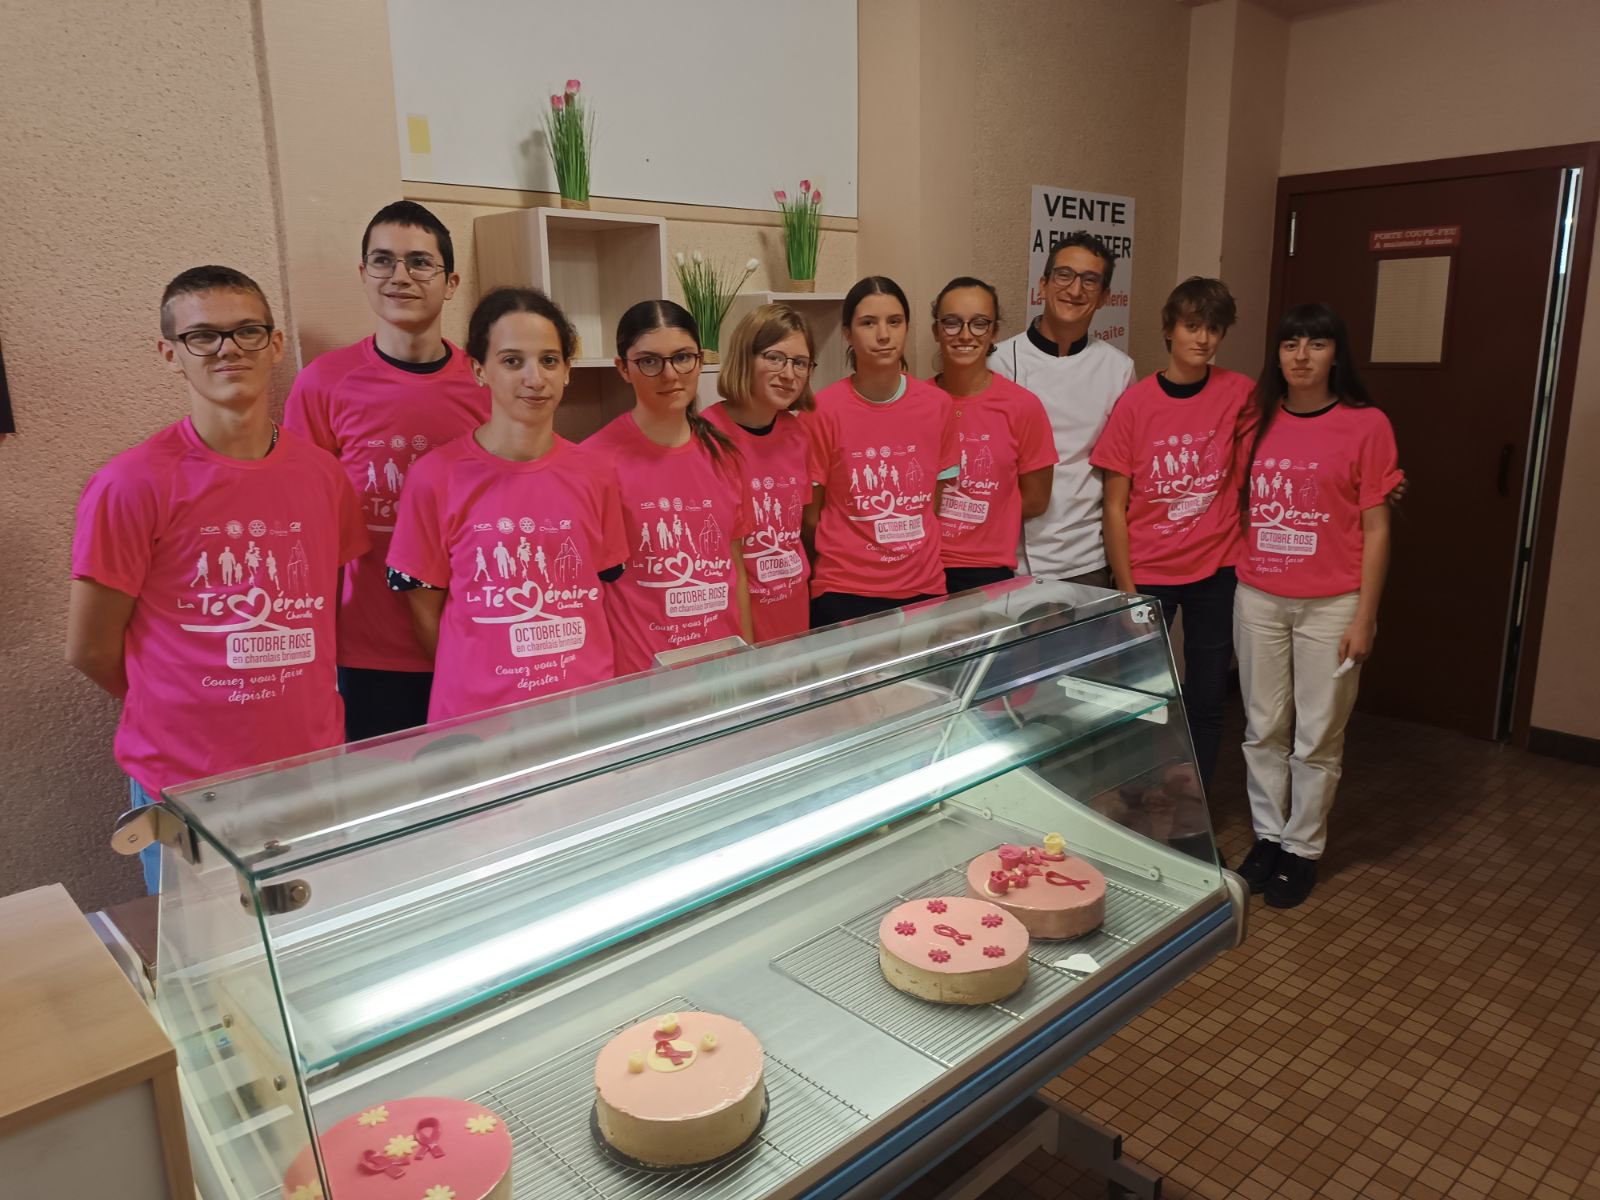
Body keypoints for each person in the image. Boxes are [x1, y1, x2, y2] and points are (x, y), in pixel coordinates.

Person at [67, 266, 367, 893]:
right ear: (170, 354)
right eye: (203, 336)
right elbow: (92, 649)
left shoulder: (322, 475)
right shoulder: (130, 484)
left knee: (306, 954)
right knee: (206, 973)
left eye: (246, 332)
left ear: (275, 345)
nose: (228, 349)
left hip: (307, 772)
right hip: (186, 786)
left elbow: (323, 609)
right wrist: (188, 706)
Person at [284, 201, 488, 741]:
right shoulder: (324, 384)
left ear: (451, 283)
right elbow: (304, 525)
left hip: (475, 640)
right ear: (363, 275)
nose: (400, 276)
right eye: (383, 261)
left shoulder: (487, 381)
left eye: (420, 262)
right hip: (365, 651)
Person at [387, 288, 628, 722]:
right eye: (512, 361)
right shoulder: (435, 477)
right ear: (480, 370)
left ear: (568, 370)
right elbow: (426, 614)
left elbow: (601, 594)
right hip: (479, 722)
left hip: (584, 714)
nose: (535, 378)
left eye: (549, 360)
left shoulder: (597, 473)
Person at [1233, 304, 1402, 909]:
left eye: (1316, 343)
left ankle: (1302, 849)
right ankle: (1268, 837)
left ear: (1337, 353)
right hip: (1258, 595)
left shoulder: (1367, 424)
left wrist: (1366, 615)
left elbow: (1377, 529)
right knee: (1262, 727)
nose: (1301, 355)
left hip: (1332, 604)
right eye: (1289, 344)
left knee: (1318, 735)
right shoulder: (1256, 418)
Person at [1092, 278, 1253, 793]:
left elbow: (1276, 462)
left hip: (1216, 570)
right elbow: (1114, 507)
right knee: (1140, 698)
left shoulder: (1240, 394)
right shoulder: (1136, 405)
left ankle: (1193, 817)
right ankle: (1141, 810)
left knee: (1207, 699)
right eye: (1191, 326)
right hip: (1149, 574)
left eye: (1213, 328)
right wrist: (1127, 587)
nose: (1202, 338)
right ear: (1169, 329)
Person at [585, 300, 753, 673]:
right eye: (649, 361)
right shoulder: (593, 462)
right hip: (641, 680)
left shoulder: (724, 453)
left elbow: (734, 568)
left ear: (700, 360)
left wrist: (748, 663)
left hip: (720, 671)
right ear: (623, 368)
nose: (669, 374)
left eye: (682, 357)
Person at [803, 276, 958, 626]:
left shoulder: (937, 405)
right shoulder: (822, 410)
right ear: (847, 333)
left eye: (894, 322)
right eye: (868, 323)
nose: (883, 335)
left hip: (923, 586)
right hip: (844, 589)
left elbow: (931, 501)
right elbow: (811, 517)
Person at [991, 232, 1135, 587]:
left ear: (1103, 297)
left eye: (1090, 280)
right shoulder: (998, 363)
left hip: (1087, 560)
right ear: (1043, 284)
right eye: (1064, 275)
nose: (1075, 290)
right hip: (1011, 561)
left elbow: (1121, 476)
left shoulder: (1119, 370)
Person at [929, 276, 1058, 593]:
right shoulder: (918, 404)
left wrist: (986, 514)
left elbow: (1036, 499)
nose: (964, 335)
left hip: (987, 572)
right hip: (921, 566)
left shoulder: (1022, 406)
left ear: (994, 332)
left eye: (979, 324)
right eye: (952, 323)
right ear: (936, 330)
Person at [704, 303, 816, 642]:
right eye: (775, 358)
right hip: (734, 627)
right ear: (745, 357)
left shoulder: (798, 433)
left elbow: (796, 533)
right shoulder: (706, 435)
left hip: (793, 616)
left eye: (800, 363)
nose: (789, 373)